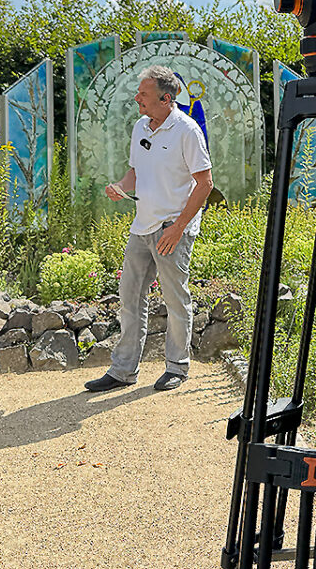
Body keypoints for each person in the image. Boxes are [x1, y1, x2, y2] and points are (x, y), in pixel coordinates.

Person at [85, 65, 214, 393]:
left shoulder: (187, 131)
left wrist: (178, 228)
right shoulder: (140, 126)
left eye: (143, 94)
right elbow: (135, 172)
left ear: (166, 99)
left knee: (175, 299)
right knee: (129, 297)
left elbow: (205, 183)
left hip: (172, 228)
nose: (137, 98)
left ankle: (177, 367)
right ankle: (123, 371)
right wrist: (120, 186)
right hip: (141, 226)